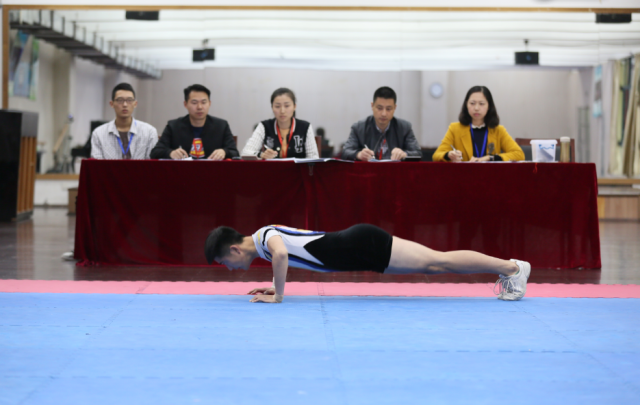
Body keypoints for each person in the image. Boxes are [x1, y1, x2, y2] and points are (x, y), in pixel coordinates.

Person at [205, 224, 531, 304]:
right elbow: (281, 256)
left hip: (364, 244)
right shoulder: (262, 244)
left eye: (224, 262)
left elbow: (282, 255)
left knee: (438, 261)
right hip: (361, 250)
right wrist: (275, 286)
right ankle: (511, 269)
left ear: (234, 249)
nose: (229, 269)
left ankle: (513, 269)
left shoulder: (264, 237)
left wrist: (278, 295)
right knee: (435, 265)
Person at [432, 86, 524, 162]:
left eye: (481, 104)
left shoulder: (498, 130)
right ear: (466, 105)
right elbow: (436, 155)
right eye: (472, 103)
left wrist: (490, 158)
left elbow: (519, 154)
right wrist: (449, 155)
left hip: (490, 176)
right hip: (464, 176)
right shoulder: (455, 128)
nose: (476, 108)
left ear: (489, 106)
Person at [150, 84, 239, 160]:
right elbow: (155, 152)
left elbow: (235, 153)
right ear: (185, 104)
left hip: (212, 172)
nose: (199, 107)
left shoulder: (221, 126)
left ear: (209, 103)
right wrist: (170, 153)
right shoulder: (173, 126)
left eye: (203, 102)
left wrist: (224, 151)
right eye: (194, 103)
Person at [342, 87, 421, 161]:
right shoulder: (359, 128)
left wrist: (404, 154)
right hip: (368, 170)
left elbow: (418, 153)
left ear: (395, 108)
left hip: (395, 170)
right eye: (379, 108)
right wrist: (358, 154)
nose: (384, 114)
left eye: (388, 109)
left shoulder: (404, 128)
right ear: (372, 106)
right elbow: (345, 152)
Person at [241, 88, 319, 159]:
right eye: (277, 106)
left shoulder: (305, 127)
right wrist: (261, 155)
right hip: (272, 169)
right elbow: (245, 153)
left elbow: (314, 157)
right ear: (272, 107)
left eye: (287, 106)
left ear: (294, 106)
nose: (282, 111)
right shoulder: (264, 126)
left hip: (297, 169)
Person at [91, 83, 158, 159]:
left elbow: (152, 164)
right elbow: (96, 164)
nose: (125, 104)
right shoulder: (99, 133)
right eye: (120, 100)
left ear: (135, 104)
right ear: (111, 104)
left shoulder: (149, 132)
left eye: (129, 100)